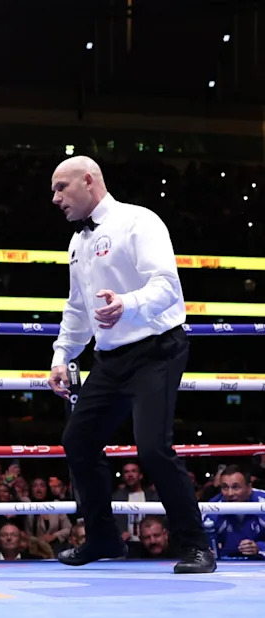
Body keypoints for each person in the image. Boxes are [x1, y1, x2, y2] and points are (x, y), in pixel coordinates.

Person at [46, 155, 214, 574]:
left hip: (157, 348)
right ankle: (103, 538)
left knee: (153, 448)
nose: (55, 198)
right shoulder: (77, 242)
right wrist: (61, 355)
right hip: (111, 357)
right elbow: (78, 308)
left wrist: (128, 304)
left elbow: (168, 287)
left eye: (61, 187)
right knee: (78, 440)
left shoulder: (139, 221)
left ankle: (197, 546)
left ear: (89, 181)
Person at [203, 465, 265, 560]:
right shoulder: (213, 507)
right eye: (225, 487)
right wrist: (207, 550)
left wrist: (260, 547)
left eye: (236, 487)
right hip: (225, 564)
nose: (230, 493)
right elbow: (202, 541)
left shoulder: (263, 503)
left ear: (249, 488)